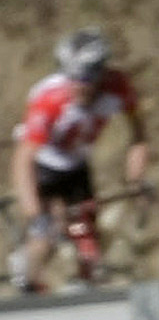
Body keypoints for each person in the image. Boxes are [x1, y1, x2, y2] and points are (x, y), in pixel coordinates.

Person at [12, 27, 150, 294]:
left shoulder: (118, 87)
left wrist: (136, 179)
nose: (77, 85)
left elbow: (139, 134)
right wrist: (34, 213)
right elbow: (22, 160)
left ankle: (86, 288)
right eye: (70, 76)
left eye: (85, 78)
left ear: (101, 73)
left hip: (77, 163)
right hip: (43, 164)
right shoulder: (49, 99)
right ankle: (27, 282)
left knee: (86, 235)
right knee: (46, 234)